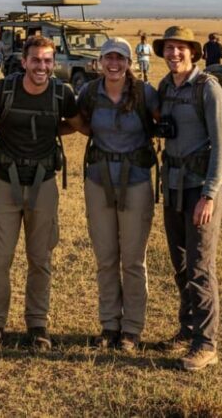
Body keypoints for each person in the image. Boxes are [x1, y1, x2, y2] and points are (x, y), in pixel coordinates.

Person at [0, 35, 85, 351]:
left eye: (47, 61)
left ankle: (38, 325)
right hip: (4, 182)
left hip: (44, 183)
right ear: (24, 61)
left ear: (53, 64)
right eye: (36, 60)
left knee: (40, 259)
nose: (42, 66)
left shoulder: (61, 93)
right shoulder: (5, 89)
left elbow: (79, 124)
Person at [153, 26, 222, 371]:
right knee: (180, 265)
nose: (174, 54)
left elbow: (221, 147)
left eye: (181, 48)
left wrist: (210, 195)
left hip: (201, 189)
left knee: (200, 267)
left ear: (194, 52)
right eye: (169, 48)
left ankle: (206, 343)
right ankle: (186, 329)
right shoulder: (166, 87)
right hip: (172, 187)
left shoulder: (208, 89)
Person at [78, 37, 158, 353]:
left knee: (134, 260)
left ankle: (132, 330)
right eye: (108, 57)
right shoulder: (89, 93)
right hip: (98, 181)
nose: (114, 63)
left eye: (120, 58)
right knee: (106, 257)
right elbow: (79, 123)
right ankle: (109, 326)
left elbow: (162, 122)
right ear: (99, 61)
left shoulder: (144, 93)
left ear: (129, 62)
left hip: (136, 180)